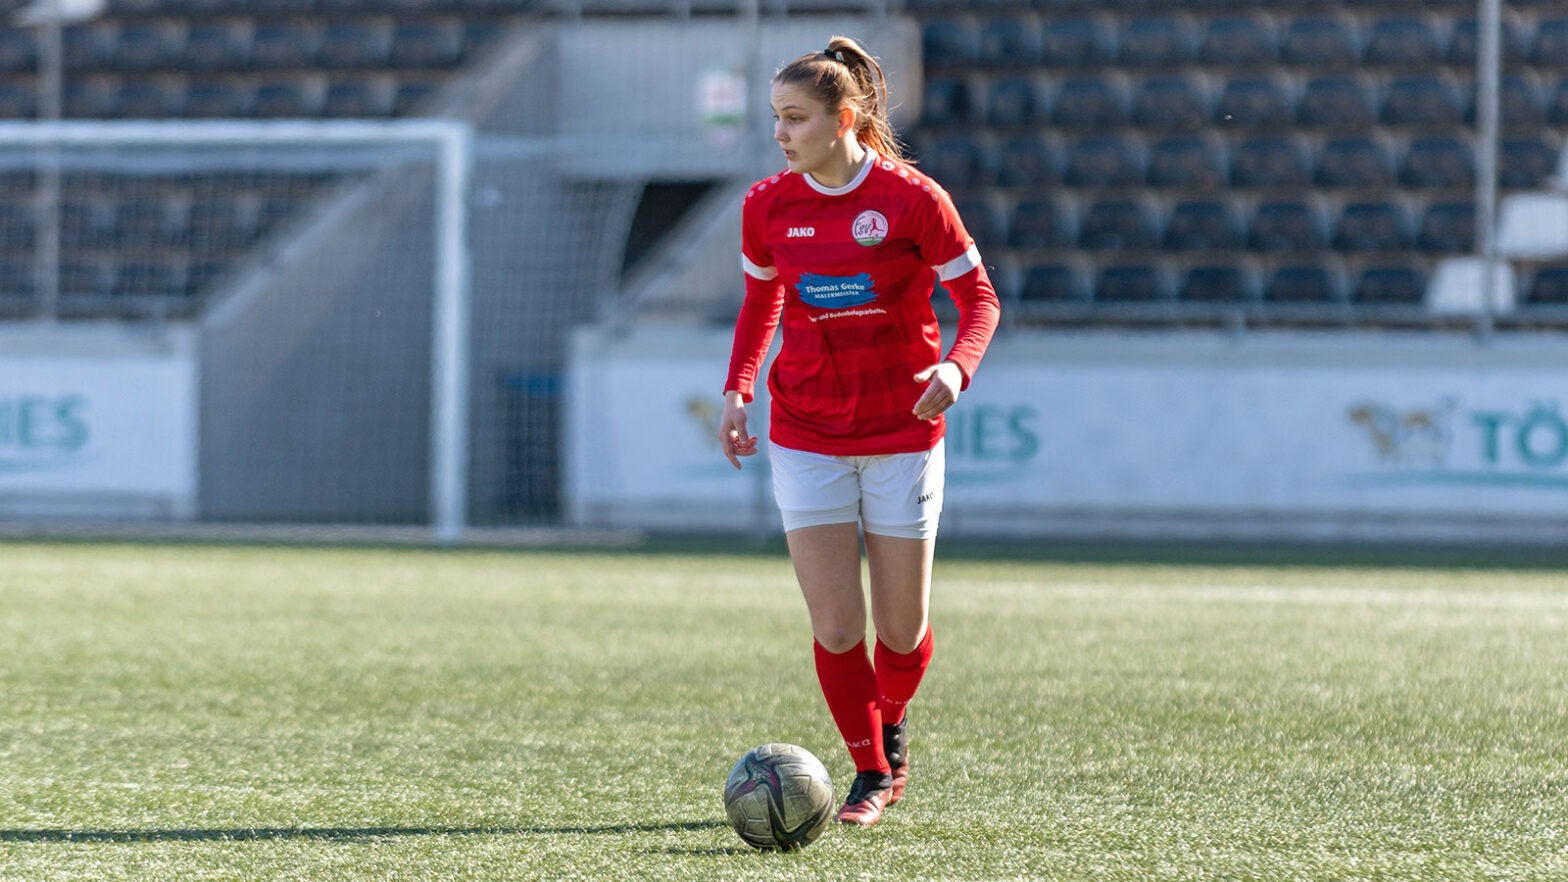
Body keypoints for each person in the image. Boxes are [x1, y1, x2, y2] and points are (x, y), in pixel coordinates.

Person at [717, 35, 1000, 827]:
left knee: (901, 633)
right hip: (806, 429)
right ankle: (873, 770)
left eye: (795, 118)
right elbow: (760, 302)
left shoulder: (913, 198)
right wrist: (739, 389)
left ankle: (892, 719)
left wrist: (955, 368)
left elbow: (980, 301)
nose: (780, 133)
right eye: (775, 118)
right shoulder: (767, 204)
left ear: (845, 119)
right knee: (838, 625)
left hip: (901, 432)